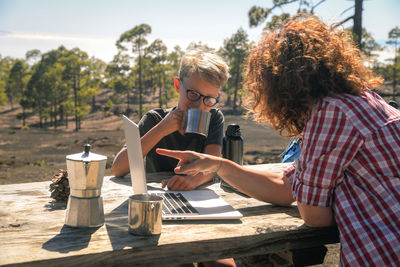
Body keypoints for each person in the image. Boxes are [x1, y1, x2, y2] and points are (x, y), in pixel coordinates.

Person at [157, 17, 400, 266]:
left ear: (282, 85)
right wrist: (217, 164)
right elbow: (286, 187)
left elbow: (314, 215)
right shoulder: (363, 102)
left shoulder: (331, 113)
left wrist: (321, 195)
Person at [112, 49, 229, 192]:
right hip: (157, 196)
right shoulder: (154, 119)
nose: (199, 106)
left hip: (197, 196)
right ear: (178, 85)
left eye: (209, 99)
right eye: (193, 94)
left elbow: (213, 166)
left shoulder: (213, 119)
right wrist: (161, 129)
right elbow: (118, 169)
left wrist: (191, 181)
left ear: (217, 96)